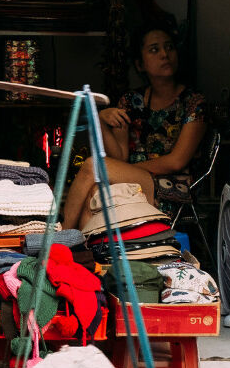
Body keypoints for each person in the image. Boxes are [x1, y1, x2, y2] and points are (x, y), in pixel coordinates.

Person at [61, 25, 208, 231]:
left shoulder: (194, 103)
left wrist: (121, 171)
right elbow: (119, 157)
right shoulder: (131, 101)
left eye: (169, 47)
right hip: (135, 183)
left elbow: (177, 162)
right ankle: (89, 253)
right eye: (154, 50)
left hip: (174, 189)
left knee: (94, 166)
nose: (165, 54)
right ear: (140, 64)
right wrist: (101, 120)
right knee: (95, 190)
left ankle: (61, 238)